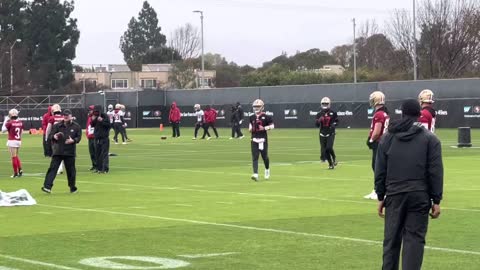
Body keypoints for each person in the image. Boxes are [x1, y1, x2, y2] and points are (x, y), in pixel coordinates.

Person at [375, 99, 443, 270]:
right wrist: (436, 200)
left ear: (402, 113)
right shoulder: (430, 139)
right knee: (414, 240)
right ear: (419, 114)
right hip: (419, 194)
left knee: (391, 240)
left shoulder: (388, 137)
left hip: (395, 194)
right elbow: (435, 171)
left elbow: (380, 170)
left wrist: (381, 195)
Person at [41, 109, 82, 194]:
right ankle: (47, 186)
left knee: (71, 171)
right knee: (52, 169)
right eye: (64, 115)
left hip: (69, 151)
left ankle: (72, 187)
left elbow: (79, 138)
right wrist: (54, 137)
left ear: (71, 116)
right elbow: (51, 135)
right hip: (58, 150)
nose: (66, 117)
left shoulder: (76, 126)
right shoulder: (57, 126)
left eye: (67, 115)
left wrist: (73, 140)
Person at [365, 91, 390, 200]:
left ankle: (378, 190)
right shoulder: (384, 113)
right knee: (380, 167)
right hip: (385, 142)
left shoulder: (379, 114)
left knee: (376, 167)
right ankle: (381, 189)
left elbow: (377, 131)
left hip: (379, 143)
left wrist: (370, 140)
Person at [249, 99, 274, 181]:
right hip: (254, 139)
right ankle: (255, 174)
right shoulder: (251, 117)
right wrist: (250, 129)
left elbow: (272, 126)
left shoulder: (266, 117)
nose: (256, 108)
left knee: (265, 157)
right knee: (255, 157)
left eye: (258, 106)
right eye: (255, 106)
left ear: (262, 107)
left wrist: (264, 128)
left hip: (263, 139)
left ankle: (267, 169)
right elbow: (250, 126)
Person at [315, 97, 338, 169]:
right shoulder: (319, 114)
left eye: (326, 103)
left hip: (330, 133)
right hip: (322, 133)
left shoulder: (333, 113)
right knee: (325, 150)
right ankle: (330, 164)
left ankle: (334, 158)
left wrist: (333, 125)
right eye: (323, 103)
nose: (325, 105)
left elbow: (337, 121)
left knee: (329, 147)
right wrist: (319, 120)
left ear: (329, 104)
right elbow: (316, 125)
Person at [2, 109, 24, 178]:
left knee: (13, 157)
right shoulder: (20, 122)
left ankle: (15, 173)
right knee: (16, 156)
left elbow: (3, 130)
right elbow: (21, 131)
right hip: (18, 140)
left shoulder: (10, 123)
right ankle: (20, 169)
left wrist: (5, 120)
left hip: (12, 140)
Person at [45, 104, 65, 175]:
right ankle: (61, 167)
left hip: (55, 137)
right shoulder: (63, 117)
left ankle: (58, 168)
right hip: (63, 137)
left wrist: (47, 138)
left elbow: (48, 129)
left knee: (55, 154)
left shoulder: (52, 118)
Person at [92, 105, 111, 173]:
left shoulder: (105, 116)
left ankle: (105, 168)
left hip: (104, 138)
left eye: (97, 111)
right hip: (97, 138)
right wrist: (93, 120)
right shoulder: (95, 116)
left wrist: (102, 120)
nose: (96, 112)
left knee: (104, 154)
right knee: (97, 153)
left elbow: (109, 125)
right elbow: (92, 125)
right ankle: (98, 168)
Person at [86, 105, 96, 171]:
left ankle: (98, 165)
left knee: (96, 152)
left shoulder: (95, 117)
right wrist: (87, 134)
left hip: (94, 137)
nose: (89, 111)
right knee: (91, 152)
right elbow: (88, 127)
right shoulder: (89, 118)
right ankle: (94, 165)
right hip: (90, 137)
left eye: (90, 110)